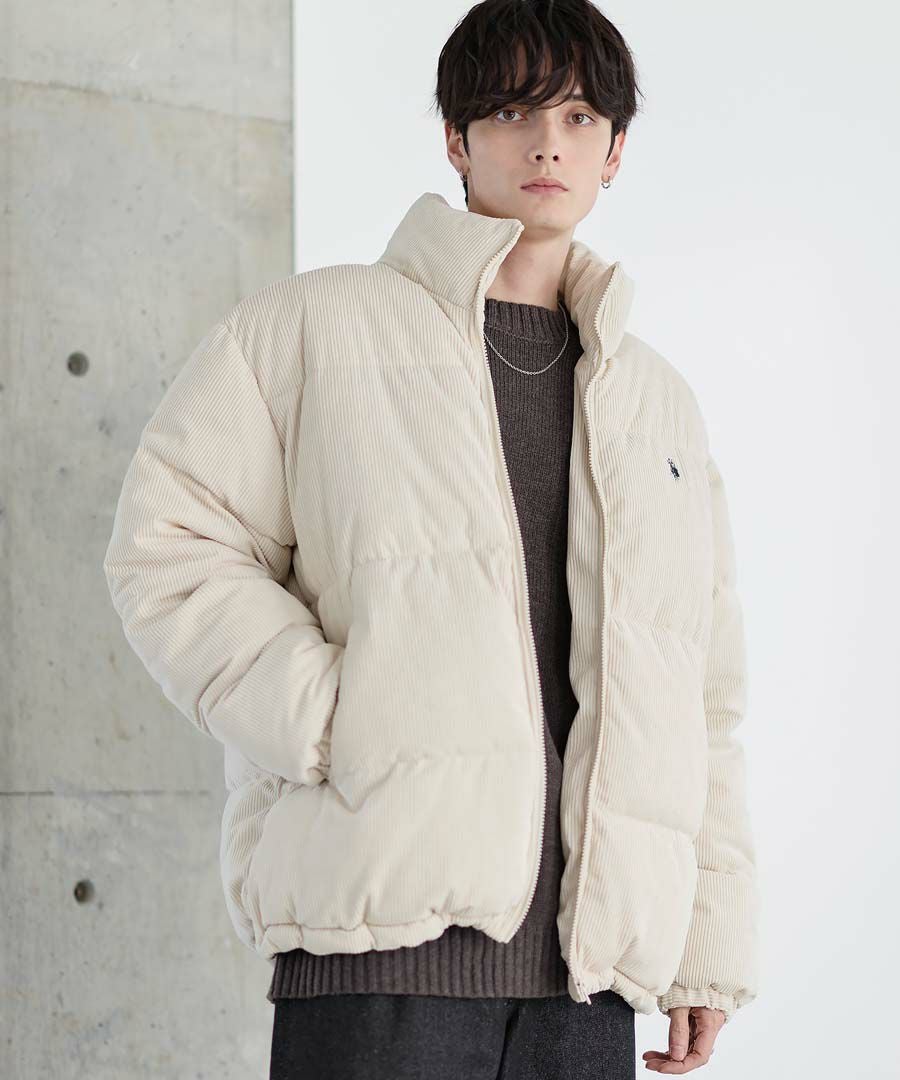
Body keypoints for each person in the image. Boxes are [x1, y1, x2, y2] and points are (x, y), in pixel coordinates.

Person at [102, 1, 759, 1076]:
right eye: (512, 111)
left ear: (615, 152)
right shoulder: (312, 329)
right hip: (379, 960)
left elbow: (703, 696)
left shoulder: (656, 404)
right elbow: (169, 546)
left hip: (587, 981)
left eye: (580, 117)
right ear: (456, 139)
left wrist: (705, 950)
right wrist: (342, 723)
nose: (547, 144)